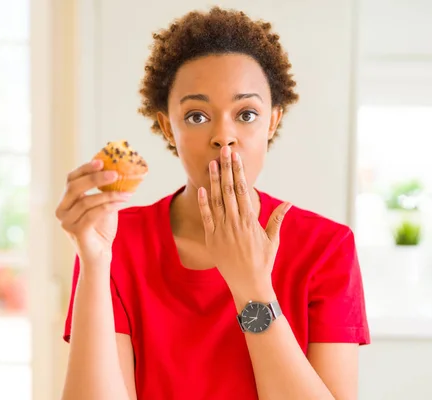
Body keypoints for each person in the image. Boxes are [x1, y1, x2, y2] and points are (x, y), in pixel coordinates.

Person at [56, 6, 370, 400]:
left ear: (273, 121)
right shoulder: (115, 241)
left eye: (247, 113)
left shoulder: (327, 247)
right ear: (168, 126)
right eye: (197, 116)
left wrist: (252, 287)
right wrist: (94, 260)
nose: (224, 136)